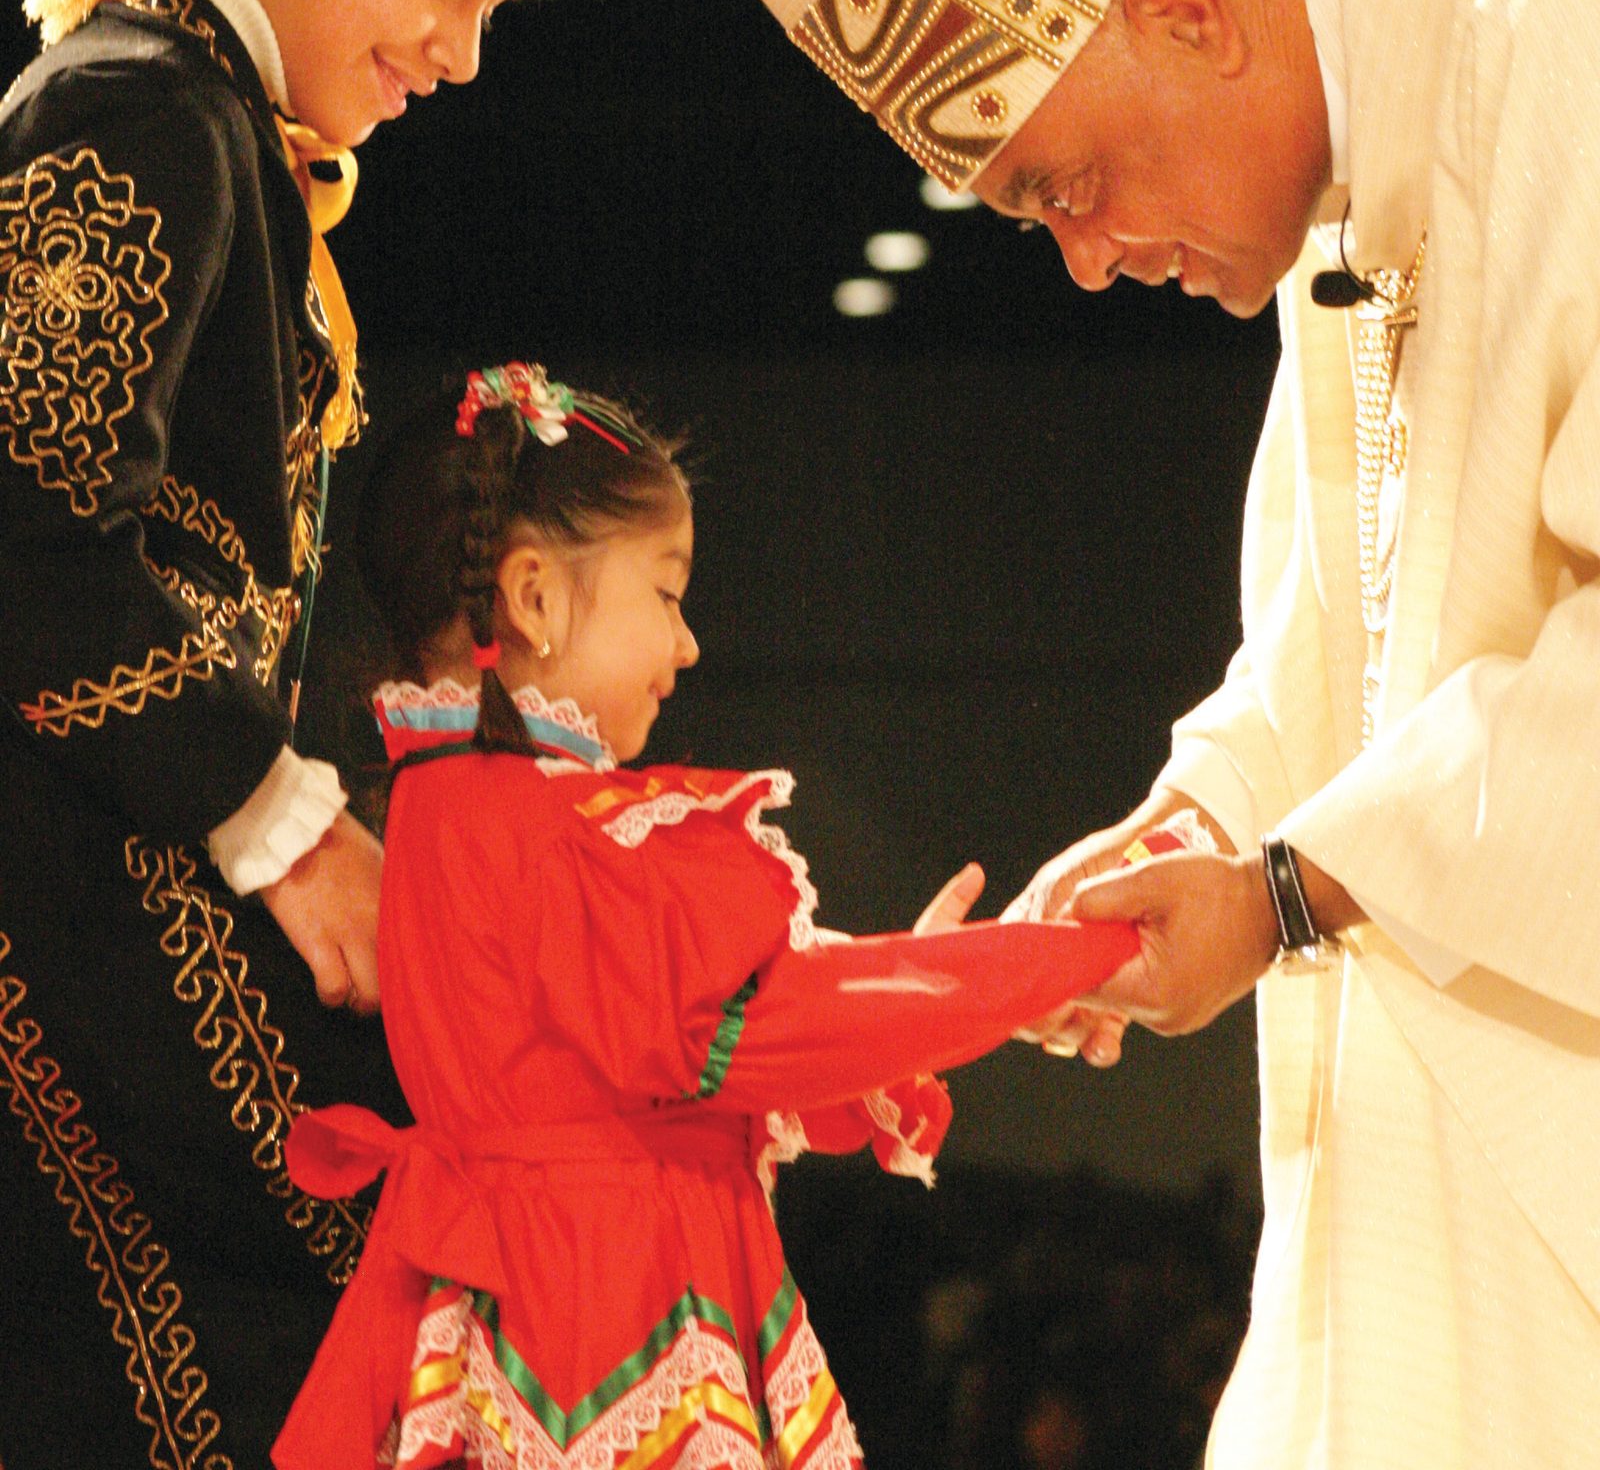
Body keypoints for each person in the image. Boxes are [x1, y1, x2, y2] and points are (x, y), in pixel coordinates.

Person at [622, 0, 1600, 1463]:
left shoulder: (1571, 0)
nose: (1082, 263)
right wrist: (1205, 826)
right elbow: (1337, 654)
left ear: (1184, 16)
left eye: (1066, 185)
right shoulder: (1345, 172)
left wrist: (1287, 891)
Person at [270, 363, 1143, 1468]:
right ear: (533, 598)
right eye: (667, 595)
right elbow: (753, 1029)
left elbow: (690, 1045)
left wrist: (938, 989)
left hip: (515, 1286)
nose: (686, 647)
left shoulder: (448, 805)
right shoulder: (561, 835)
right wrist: (1052, 960)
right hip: (603, 1303)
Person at [0, 0, 584, 1462]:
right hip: (78, 945)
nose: (459, 55)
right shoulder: (137, 110)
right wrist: (295, 831)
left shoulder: (206, 124)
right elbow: (24, 538)